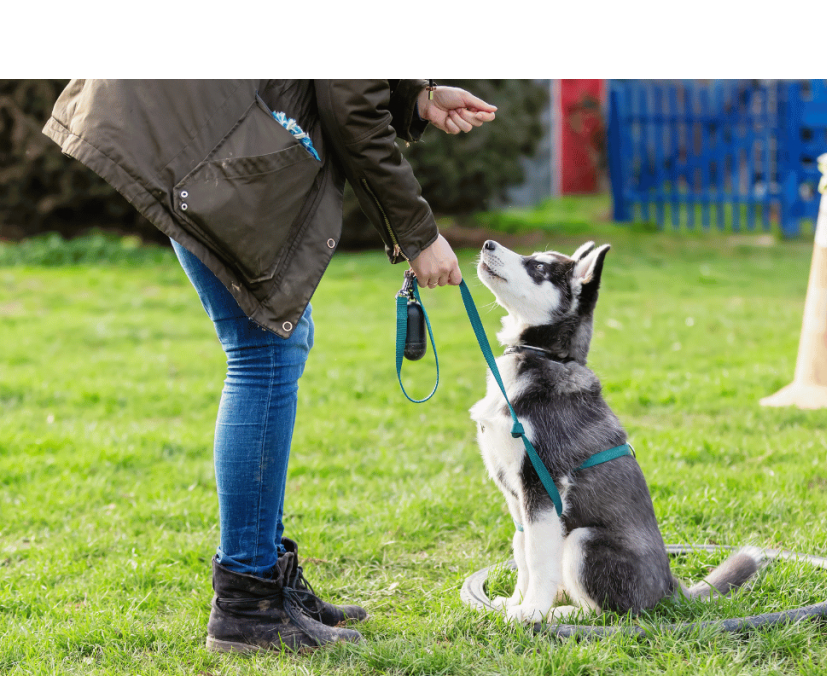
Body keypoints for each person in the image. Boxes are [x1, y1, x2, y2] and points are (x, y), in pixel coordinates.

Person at [43, 79, 497, 653]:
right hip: (185, 122)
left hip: (185, 113)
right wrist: (419, 234)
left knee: (279, 338)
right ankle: (246, 601)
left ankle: (267, 579)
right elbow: (351, 103)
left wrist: (414, 97)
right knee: (263, 351)